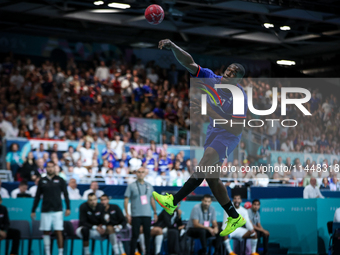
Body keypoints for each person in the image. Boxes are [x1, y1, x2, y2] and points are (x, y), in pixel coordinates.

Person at [152, 39, 247, 237]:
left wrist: (210, 112)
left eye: (234, 73)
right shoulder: (212, 78)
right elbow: (190, 63)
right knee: (212, 180)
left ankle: (173, 201)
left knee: (203, 165)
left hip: (229, 136)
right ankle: (234, 217)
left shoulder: (239, 96)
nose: (229, 72)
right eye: (229, 69)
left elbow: (237, 129)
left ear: (238, 80)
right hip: (213, 133)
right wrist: (173, 46)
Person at [31, 161, 71, 255]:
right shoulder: (42, 180)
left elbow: (66, 194)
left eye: (52, 167)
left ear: (55, 168)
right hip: (45, 210)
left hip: (57, 210)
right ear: (46, 168)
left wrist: (68, 207)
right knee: (46, 231)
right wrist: (33, 210)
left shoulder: (60, 180)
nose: (50, 169)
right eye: (48, 167)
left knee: (58, 231)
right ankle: (48, 253)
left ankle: (60, 253)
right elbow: (37, 196)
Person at [124, 167, 157, 255]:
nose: (141, 173)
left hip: (147, 214)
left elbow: (152, 200)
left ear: (145, 174)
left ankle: (147, 253)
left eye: (143, 172)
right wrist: (127, 214)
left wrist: (155, 212)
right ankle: (131, 253)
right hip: (136, 215)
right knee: (135, 236)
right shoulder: (131, 186)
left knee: (147, 236)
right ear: (136, 173)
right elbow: (126, 199)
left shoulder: (149, 186)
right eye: (139, 172)